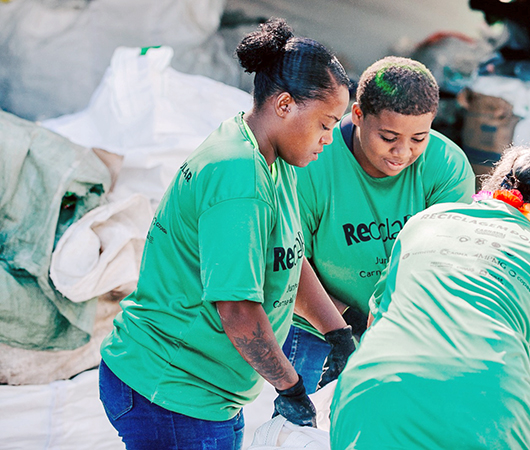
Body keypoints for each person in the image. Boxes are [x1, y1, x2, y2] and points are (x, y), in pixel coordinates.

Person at [98, 18, 351, 450]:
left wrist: (336, 332)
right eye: (326, 123)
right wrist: (290, 388)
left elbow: (288, 257)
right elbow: (236, 308)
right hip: (170, 392)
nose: (330, 138)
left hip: (208, 395)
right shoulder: (239, 179)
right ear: (285, 105)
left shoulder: (271, 155)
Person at [330, 142, 530, 449]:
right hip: (489, 420)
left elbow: (375, 320)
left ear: (490, 187)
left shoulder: (425, 221)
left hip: (368, 397)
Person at [283, 56, 476, 393]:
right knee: (304, 430)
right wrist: (343, 327)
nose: (402, 152)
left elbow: (446, 262)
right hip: (317, 322)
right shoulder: (311, 163)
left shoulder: (447, 166)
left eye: (419, 138)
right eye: (388, 137)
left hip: (408, 321)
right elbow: (288, 263)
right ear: (358, 115)